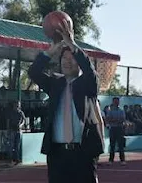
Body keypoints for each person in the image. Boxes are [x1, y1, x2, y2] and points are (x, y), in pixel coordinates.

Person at [28, 20, 104, 183]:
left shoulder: (87, 84)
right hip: (57, 154)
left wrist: (72, 44)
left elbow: (90, 72)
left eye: (72, 59)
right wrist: (51, 51)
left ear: (79, 63)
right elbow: (34, 72)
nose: (68, 62)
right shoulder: (54, 84)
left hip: (83, 153)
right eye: (64, 58)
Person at [106, 97, 126, 165]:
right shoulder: (110, 110)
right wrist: (116, 120)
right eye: (115, 101)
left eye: (117, 101)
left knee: (120, 145)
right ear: (113, 102)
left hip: (120, 128)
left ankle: (122, 160)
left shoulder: (121, 110)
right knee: (112, 145)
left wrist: (114, 120)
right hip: (113, 129)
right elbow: (108, 119)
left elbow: (122, 119)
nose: (116, 102)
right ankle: (111, 160)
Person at [7, 100, 26, 165]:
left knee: (17, 146)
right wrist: (8, 130)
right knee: (11, 145)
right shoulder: (11, 112)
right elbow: (8, 121)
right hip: (12, 130)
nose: (17, 106)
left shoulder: (21, 112)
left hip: (19, 131)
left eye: (18, 104)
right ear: (14, 105)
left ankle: (17, 159)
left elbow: (24, 120)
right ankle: (10, 159)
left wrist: (21, 125)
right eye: (16, 104)